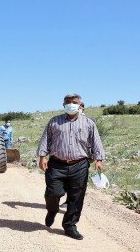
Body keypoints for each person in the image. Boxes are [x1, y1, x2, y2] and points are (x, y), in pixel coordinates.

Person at [37, 93, 104, 240]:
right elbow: (45, 139)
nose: (71, 104)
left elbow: (96, 141)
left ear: (80, 105)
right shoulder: (54, 121)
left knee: (76, 197)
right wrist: (42, 156)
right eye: (67, 102)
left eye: (74, 102)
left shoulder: (88, 123)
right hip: (56, 164)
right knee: (53, 193)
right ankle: (52, 210)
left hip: (79, 165)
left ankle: (70, 226)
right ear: (63, 105)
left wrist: (99, 160)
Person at [60, 102, 85, 209]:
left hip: (81, 156)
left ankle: (71, 203)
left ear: (82, 108)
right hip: (67, 155)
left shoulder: (86, 121)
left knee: (76, 183)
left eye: (80, 107)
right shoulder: (67, 120)